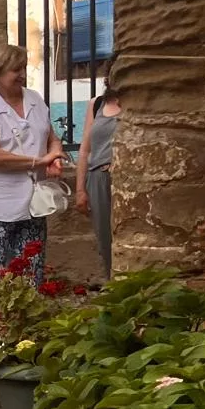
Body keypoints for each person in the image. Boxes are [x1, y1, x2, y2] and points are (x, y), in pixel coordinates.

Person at [0, 44, 66, 283]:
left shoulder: (34, 99)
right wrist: (38, 161)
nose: (22, 74)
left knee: (32, 265)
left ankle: (30, 315)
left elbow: (52, 138)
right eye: (15, 70)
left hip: (33, 199)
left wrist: (54, 157)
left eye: (23, 68)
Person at [74, 88, 120, 280]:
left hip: (122, 178)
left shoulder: (136, 101)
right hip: (98, 179)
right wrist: (80, 189)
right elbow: (85, 150)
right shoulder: (97, 104)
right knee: (105, 240)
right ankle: (113, 288)